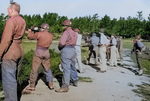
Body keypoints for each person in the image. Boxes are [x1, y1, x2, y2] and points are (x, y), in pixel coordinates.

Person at [0, 2, 26, 101]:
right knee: (13, 78)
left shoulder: (11, 21)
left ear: (11, 9)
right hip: (19, 49)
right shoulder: (22, 20)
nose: (7, 11)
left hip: (11, 52)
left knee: (9, 81)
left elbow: (6, 40)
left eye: (8, 9)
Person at [22, 23, 54, 93]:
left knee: (35, 69)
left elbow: (30, 37)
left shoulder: (40, 33)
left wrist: (30, 31)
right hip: (46, 52)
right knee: (47, 69)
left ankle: (32, 86)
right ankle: (51, 84)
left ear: (43, 28)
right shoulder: (51, 35)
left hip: (39, 51)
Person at [55, 20, 78, 93]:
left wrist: (59, 47)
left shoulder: (66, 32)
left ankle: (65, 86)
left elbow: (62, 42)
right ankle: (74, 80)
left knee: (66, 69)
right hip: (73, 49)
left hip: (67, 49)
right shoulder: (75, 33)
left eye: (63, 26)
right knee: (72, 66)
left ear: (66, 26)